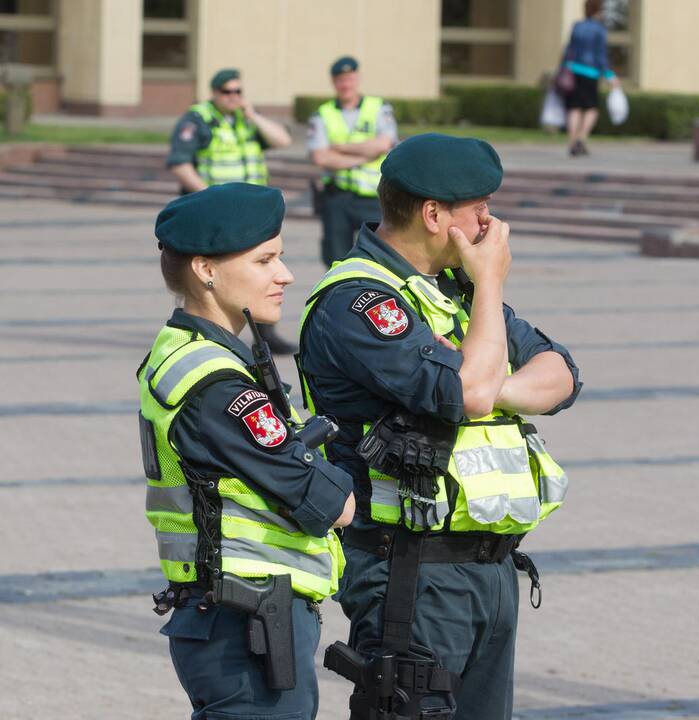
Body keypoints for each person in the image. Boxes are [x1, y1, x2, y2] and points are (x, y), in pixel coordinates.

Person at [296, 133, 581, 719]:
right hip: (411, 571)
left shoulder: (454, 291)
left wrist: (490, 385)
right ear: (433, 215)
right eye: (479, 209)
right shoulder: (357, 302)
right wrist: (492, 294)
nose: (490, 225)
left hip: (489, 567)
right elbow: (466, 391)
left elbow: (562, 376)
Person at [138, 183, 356, 720]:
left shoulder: (206, 354)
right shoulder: (216, 383)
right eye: (265, 260)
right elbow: (332, 505)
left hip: (240, 616)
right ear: (206, 270)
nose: (284, 275)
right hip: (244, 624)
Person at [166, 68, 297, 354]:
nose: (234, 97)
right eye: (227, 92)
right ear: (214, 93)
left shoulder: (246, 120)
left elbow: (284, 141)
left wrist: (253, 115)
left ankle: (265, 337)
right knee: (216, 279)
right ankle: (210, 331)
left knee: (260, 273)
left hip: (254, 216)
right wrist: (205, 198)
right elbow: (180, 162)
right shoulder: (198, 119)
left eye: (238, 91)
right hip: (220, 219)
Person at [307, 55, 398, 268]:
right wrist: (365, 155)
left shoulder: (378, 107)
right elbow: (320, 156)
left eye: (349, 78)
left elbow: (384, 144)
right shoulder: (322, 114)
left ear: (357, 78)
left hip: (375, 198)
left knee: (381, 257)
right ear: (333, 82)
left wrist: (339, 148)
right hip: (337, 197)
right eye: (340, 80)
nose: (345, 84)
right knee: (337, 260)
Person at [560, 0, 620, 157]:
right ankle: (581, 139)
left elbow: (568, 50)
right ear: (598, 11)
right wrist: (609, 75)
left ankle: (572, 142)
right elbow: (601, 55)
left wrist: (563, 68)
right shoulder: (599, 30)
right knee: (591, 109)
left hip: (573, 71)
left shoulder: (577, 26)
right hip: (590, 73)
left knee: (574, 108)